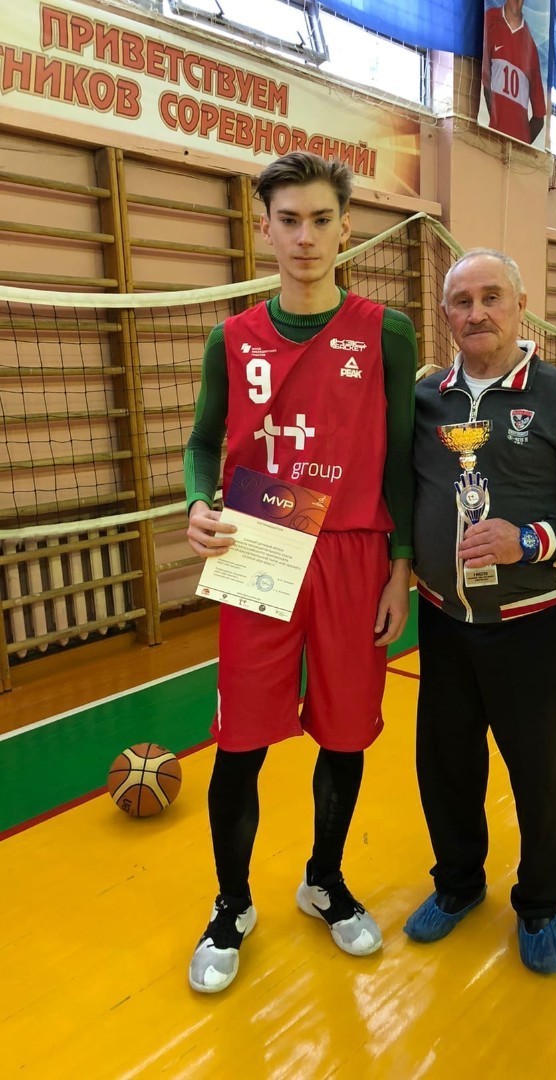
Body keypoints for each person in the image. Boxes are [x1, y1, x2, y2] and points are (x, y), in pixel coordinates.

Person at [183, 151, 417, 993]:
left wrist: (401, 566)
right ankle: (231, 904)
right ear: (265, 228)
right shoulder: (231, 338)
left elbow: (402, 457)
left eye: (321, 219)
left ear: (345, 227)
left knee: (346, 732)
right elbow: (203, 442)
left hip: (355, 546)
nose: (306, 237)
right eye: (289, 220)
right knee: (241, 739)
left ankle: (323, 880)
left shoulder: (387, 331)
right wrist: (195, 503)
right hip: (263, 533)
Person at [404, 249, 556, 974]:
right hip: (442, 622)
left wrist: (529, 540)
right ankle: (458, 884)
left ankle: (539, 904)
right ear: (446, 315)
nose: (477, 313)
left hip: (533, 626)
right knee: (445, 767)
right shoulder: (426, 400)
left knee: (538, 774)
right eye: (462, 301)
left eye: (492, 297)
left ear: (521, 305)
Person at [482, 0, 547, 146]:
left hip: (517, 151)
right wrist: (496, 125)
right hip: (492, 140)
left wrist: (522, 144)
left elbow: (539, 117)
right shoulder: (490, 19)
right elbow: (485, 81)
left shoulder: (531, 47)